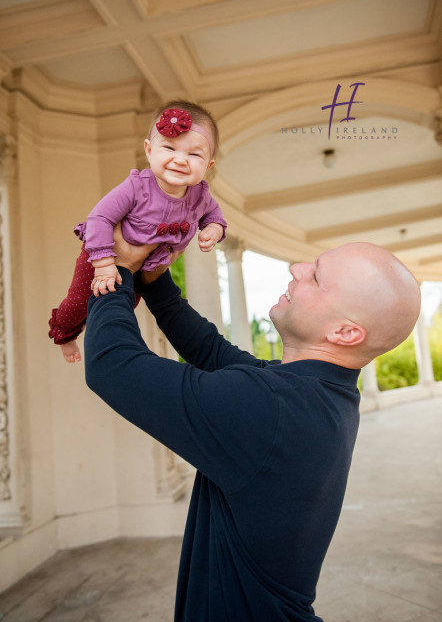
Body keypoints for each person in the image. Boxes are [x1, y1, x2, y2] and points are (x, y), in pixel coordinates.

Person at [84, 234, 421, 622]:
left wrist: (115, 272)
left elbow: (113, 368)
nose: (296, 269)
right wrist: (156, 280)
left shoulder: (272, 407)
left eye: (315, 277)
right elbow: (212, 353)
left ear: (344, 333)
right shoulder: (315, 393)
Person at [48, 100, 227, 363]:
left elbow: (214, 215)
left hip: (145, 267)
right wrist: (105, 264)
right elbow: (100, 218)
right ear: (149, 150)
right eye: (169, 147)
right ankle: (64, 333)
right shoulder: (137, 186)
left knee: (124, 305)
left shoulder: (200, 195)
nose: (180, 159)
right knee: (78, 300)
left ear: (208, 166)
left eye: (194, 154)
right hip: (101, 256)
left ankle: (88, 324)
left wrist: (213, 228)